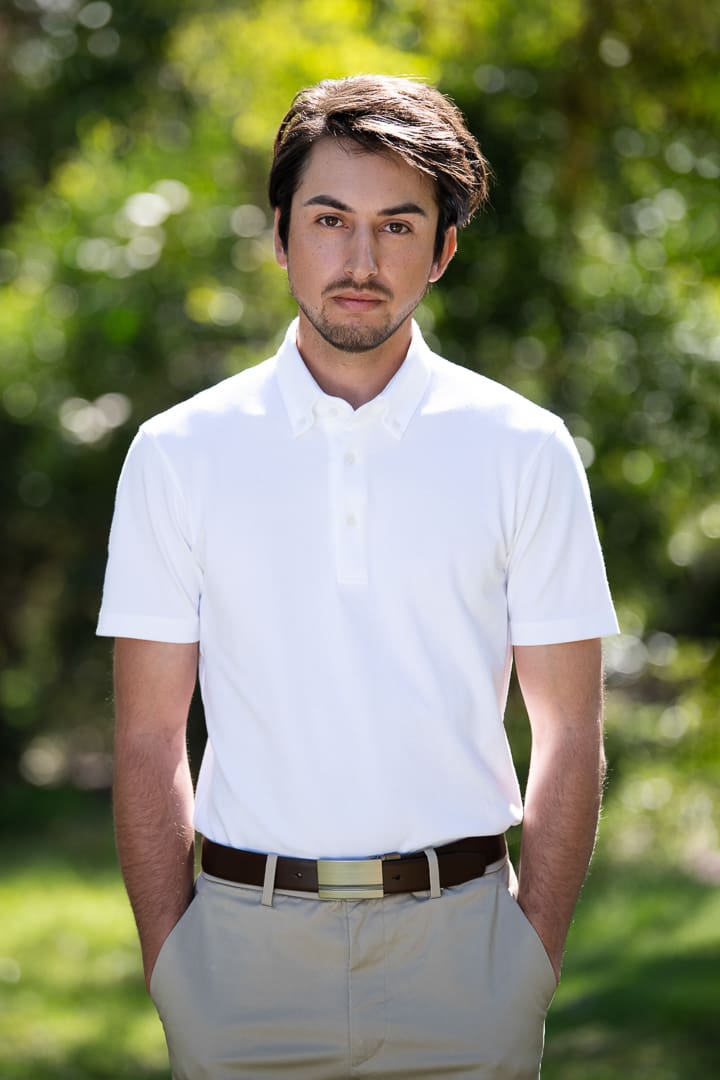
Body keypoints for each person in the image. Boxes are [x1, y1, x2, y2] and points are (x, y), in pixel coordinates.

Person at [97, 74, 618, 1079]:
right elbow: (148, 734)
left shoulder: (526, 449)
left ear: (444, 250)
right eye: (331, 219)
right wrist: (176, 967)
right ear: (281, 235)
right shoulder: (179, 453)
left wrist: (529, 962)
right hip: (240, 966)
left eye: (399, 225)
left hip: (466, 961)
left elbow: (571, 729)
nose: (361, 260)